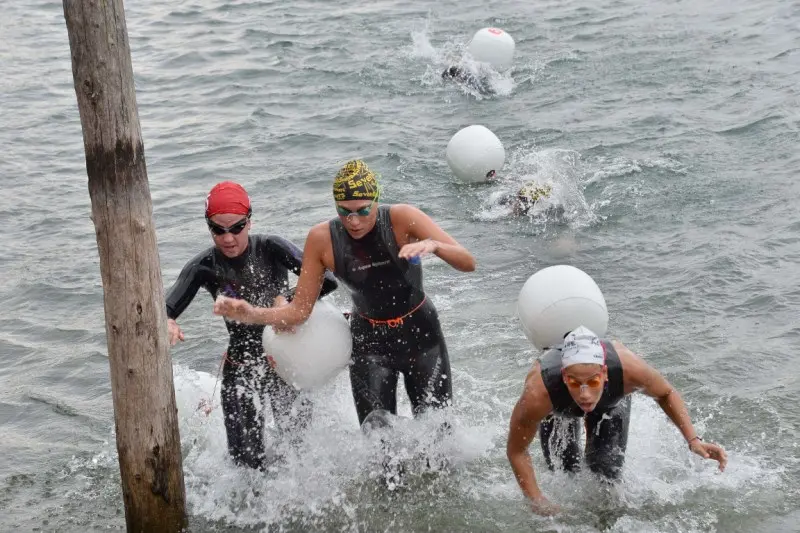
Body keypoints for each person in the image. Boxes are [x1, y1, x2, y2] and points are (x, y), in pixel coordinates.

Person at [212, 160, 476, 434]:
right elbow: (299, 312)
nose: (354, 221)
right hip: (370, 345)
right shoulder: (321, 239)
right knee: (378, 441)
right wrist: (252, 314)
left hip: (421, 338)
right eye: (344, 212)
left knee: (439, 436)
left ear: (376, 199)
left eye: (363, 210)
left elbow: (468, 262)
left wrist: (434, 245)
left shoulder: (402, 218)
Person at [165, 181, 338, 470]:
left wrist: (288, 303)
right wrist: (167, 322)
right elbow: (166, 306)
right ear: (209, 227)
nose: (228, 238)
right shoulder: (203, 266)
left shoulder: (272, 248)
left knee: (299, 454)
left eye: (236, 227)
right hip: (241, 366)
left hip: (284, 360)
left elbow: (327, 279)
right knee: (244, 464)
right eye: (218, 230)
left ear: (249, 221)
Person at [506, 326, 727, 516]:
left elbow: (666, 393)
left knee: (606, 474)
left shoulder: (629, 372)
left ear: (604, 373)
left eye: (592, 382)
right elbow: (517, 450)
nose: (584, 395)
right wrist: (536, 501)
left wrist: (693, 440)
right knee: (563, 468)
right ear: (564, 376)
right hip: (559, 407)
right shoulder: (539, 393)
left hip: (610, 402)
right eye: (574, 382)